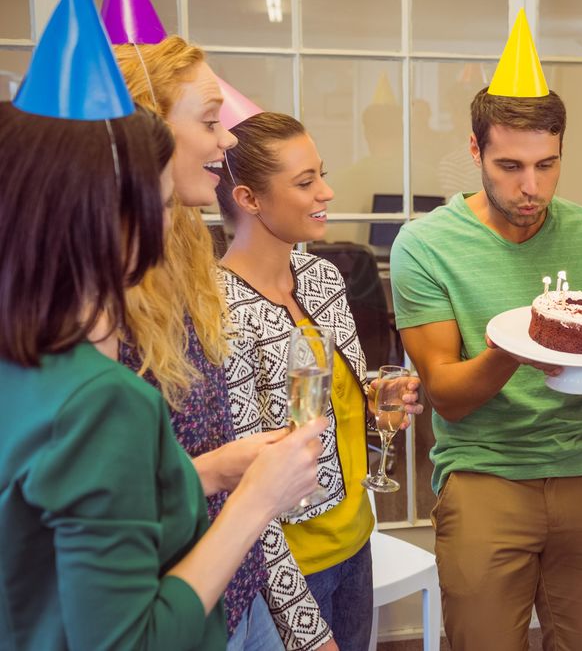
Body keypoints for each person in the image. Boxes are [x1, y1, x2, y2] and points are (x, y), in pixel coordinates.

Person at [0, 100, 324, 650]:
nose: (171, 223)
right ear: (112, 218)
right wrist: (256, 502)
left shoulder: (23, 360)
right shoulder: (104, 400)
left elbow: (68, 526)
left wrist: (212, 472)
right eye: (166, 202)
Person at [390, 11, 582, 650]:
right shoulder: (425, 245)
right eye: (509, 166)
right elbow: (446, 394)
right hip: (483, 471)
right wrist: (518, 348)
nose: (532, 188)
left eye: (547, 165)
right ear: (474, 152)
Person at [115, 35, 334, 651]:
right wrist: (229, 479)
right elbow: (106, 503)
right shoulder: (100, 313)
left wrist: (221, 467)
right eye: (210, 121)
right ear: (146, 134)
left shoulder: (186, 247)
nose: (228, 138)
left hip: (238, 583)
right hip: (166, 597)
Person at [216, 111, 420, 651]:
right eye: (305, 183)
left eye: (320, 175)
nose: (326, 192)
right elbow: (247, 490)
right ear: (249, 198)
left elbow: (332, 400)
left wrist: (377, 397)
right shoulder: (220, 312)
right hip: (289, 569)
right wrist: (304, 629)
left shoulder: (322, 277)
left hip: (356, 540)